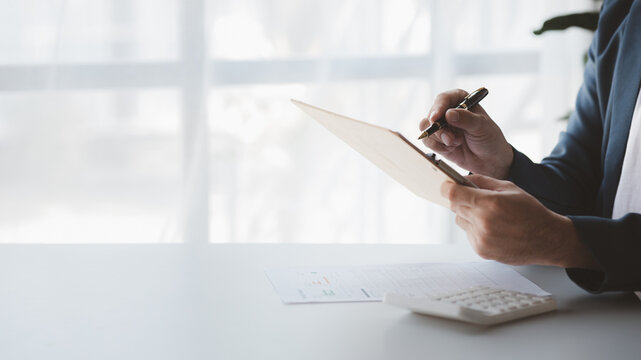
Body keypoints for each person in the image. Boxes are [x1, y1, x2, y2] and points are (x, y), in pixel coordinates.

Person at [420, 0, 640, 293]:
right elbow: (578, 180)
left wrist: (563, 241)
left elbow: (566, 232)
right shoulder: (623, 13)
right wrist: (502, 165)